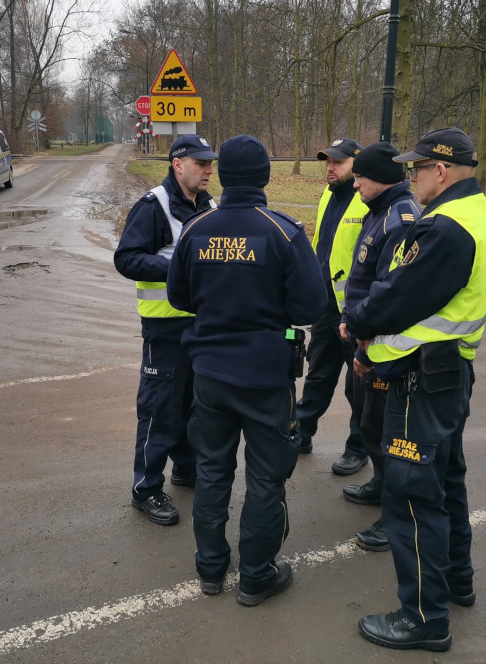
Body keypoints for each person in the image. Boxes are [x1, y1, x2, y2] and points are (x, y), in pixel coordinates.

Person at [345, 127, 486, 652]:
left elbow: (398, 298)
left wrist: (359, 322)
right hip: (451, 374)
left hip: (419, 381)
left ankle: (422, 619)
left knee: (412, 496)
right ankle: (458, 582)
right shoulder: (479, 215)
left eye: (416, 169)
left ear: (441, 170)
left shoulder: (445, 229)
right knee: (447, 481)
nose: (410, 178)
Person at [166, 134, 326, 606]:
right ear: (265, 177)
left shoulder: (197, 229)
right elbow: (311, 305)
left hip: (211, 374)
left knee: (212, 471)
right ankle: (256, 575)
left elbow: (179, 297)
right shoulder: (283, 232)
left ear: (224, 175)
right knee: (265, 476)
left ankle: (211, 568)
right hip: (265, 377)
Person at [113, 134, 218, 526]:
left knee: (193, 405)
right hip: (164, 329)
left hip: (200, 327)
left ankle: (185, 468)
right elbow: (126, 259)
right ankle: (146, 488)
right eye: (202, 163)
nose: (209, 170)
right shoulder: (153, 206)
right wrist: (178, 269)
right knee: (159, 410)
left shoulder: (209, 206)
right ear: (178, 164)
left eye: (211, 164)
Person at [336, 142, 420, 553]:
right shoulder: (379, 213)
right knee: (367, 417)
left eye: (361, 178)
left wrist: (365, 343)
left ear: (381, 178)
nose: (356, 185)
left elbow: (390, 294)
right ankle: (381, 486)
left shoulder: (400, 220)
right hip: (365, 337)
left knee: (387, 432)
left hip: (382, 346)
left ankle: (395, 516)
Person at [296, 138, 370, 476]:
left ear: (356, 165)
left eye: (338, 162)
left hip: (356, 309)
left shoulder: (367, 200)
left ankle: (358, 447)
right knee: (319, 373)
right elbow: (321, 246)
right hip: (326, 304)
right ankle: (302, 430)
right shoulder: (329, 194)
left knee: (358, 386)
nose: (330, 167)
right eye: (328, 161)